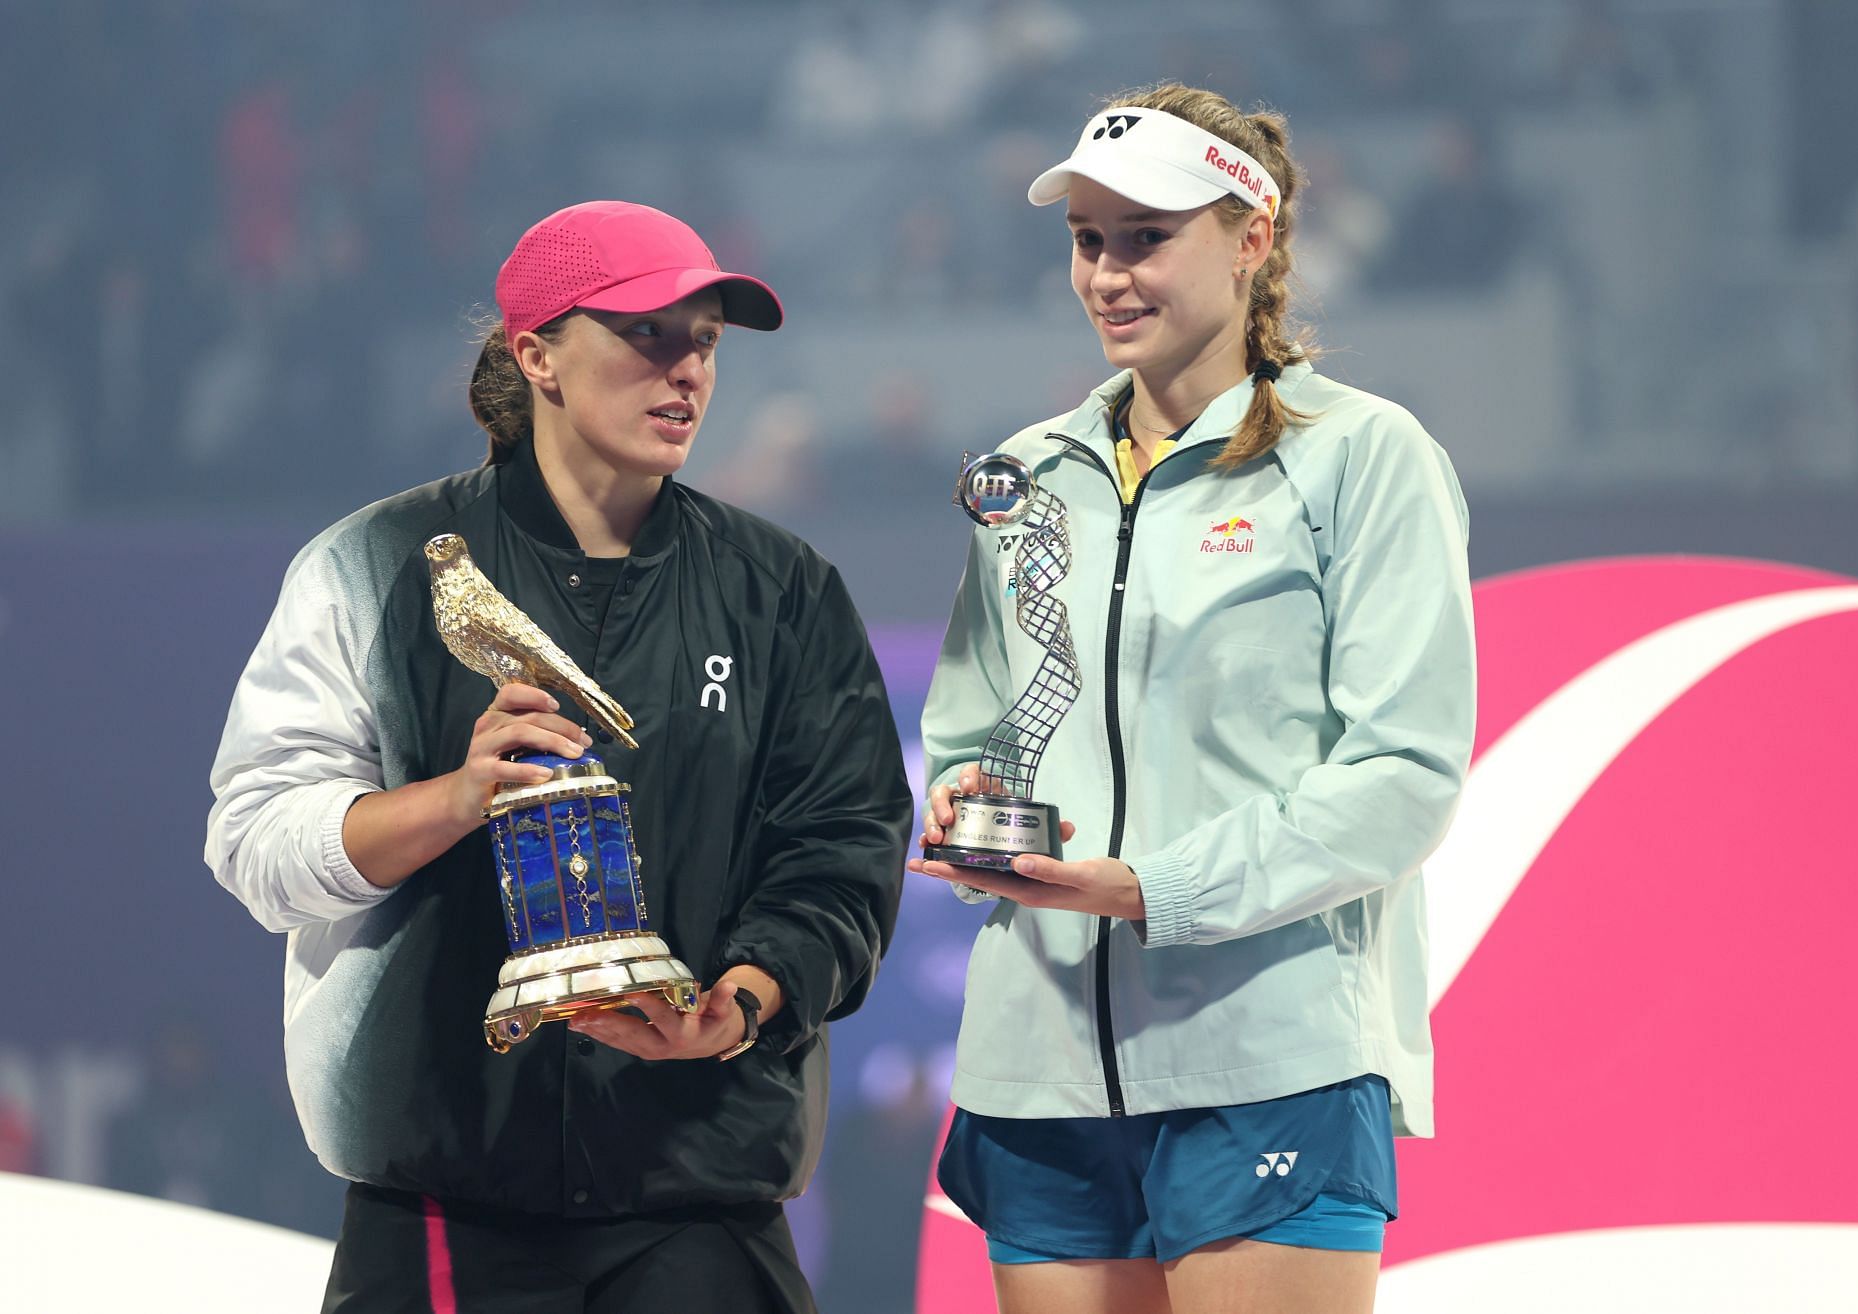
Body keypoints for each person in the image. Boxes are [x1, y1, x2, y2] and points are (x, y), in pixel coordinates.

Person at [207, 200, 912, 1313]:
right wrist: (454, 800)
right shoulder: (374, 565)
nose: (685, 372)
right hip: (445, 1194)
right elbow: (255, 842)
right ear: (536, 353)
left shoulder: (784, 591)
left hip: (697, 1186)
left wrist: (737, 1002)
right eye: (646, 335)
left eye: (706, 342)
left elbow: (843, 850)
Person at [913, 85, 1475, 1314]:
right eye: (1088, 240)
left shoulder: (1361, 456)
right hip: (1040, 1065)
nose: (1110, 273)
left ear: (1253, 239)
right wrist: (966, 793)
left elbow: (1401, 777)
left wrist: (1150, 890)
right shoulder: (1026, 475)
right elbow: (970, 721)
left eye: (1147, 237)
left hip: (1266, 1054)